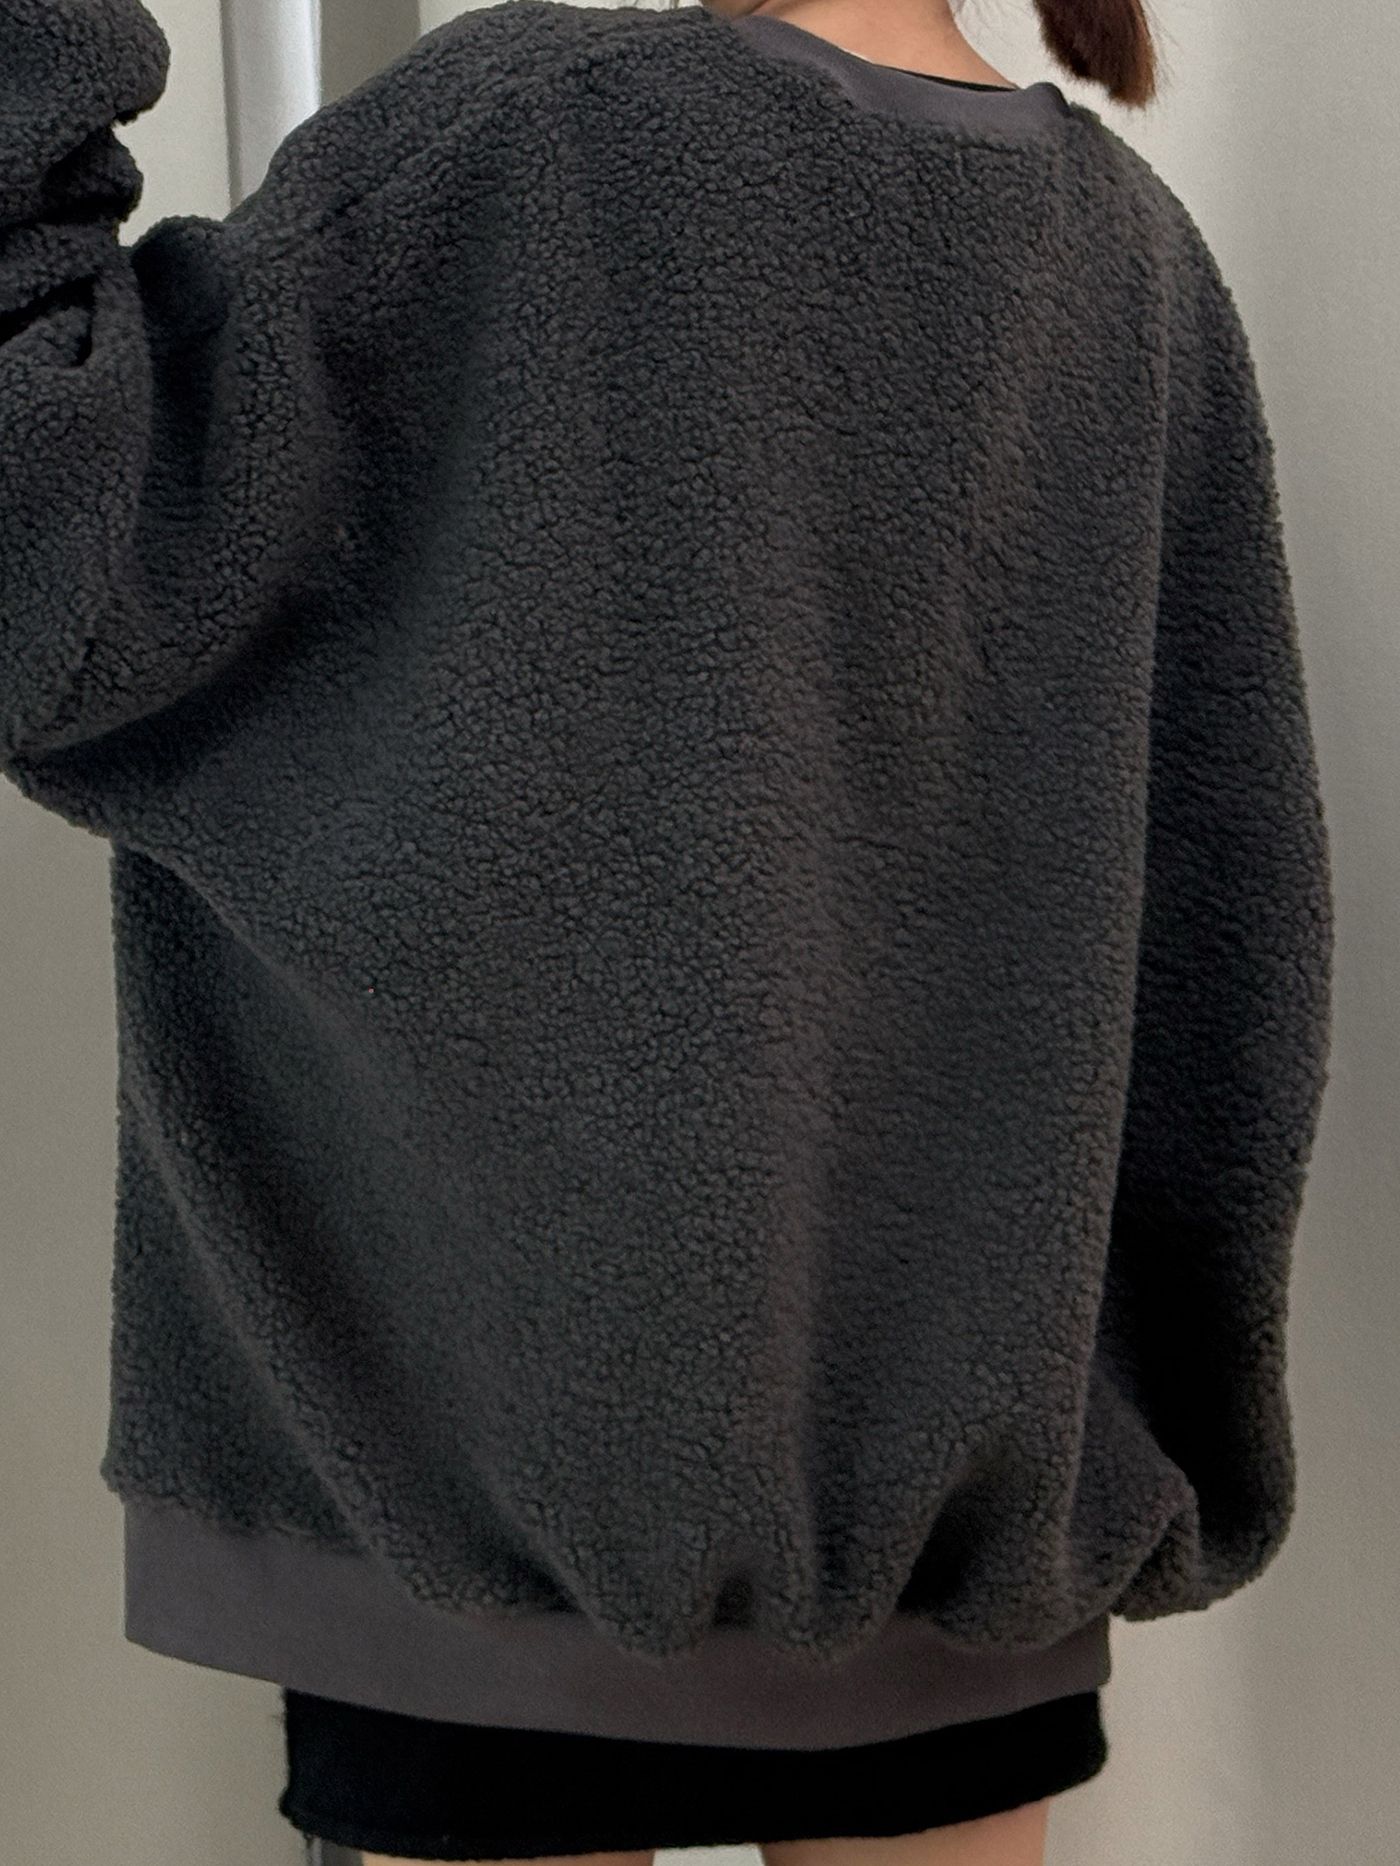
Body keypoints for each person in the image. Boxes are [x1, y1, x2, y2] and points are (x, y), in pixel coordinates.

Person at [0, 2, 1331, 1864]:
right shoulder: (1138, 270)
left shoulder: (531, 141)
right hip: (970, 1556)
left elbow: (54, 576)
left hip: (489, 1532)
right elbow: (1231, 957)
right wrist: (1112, 1426)